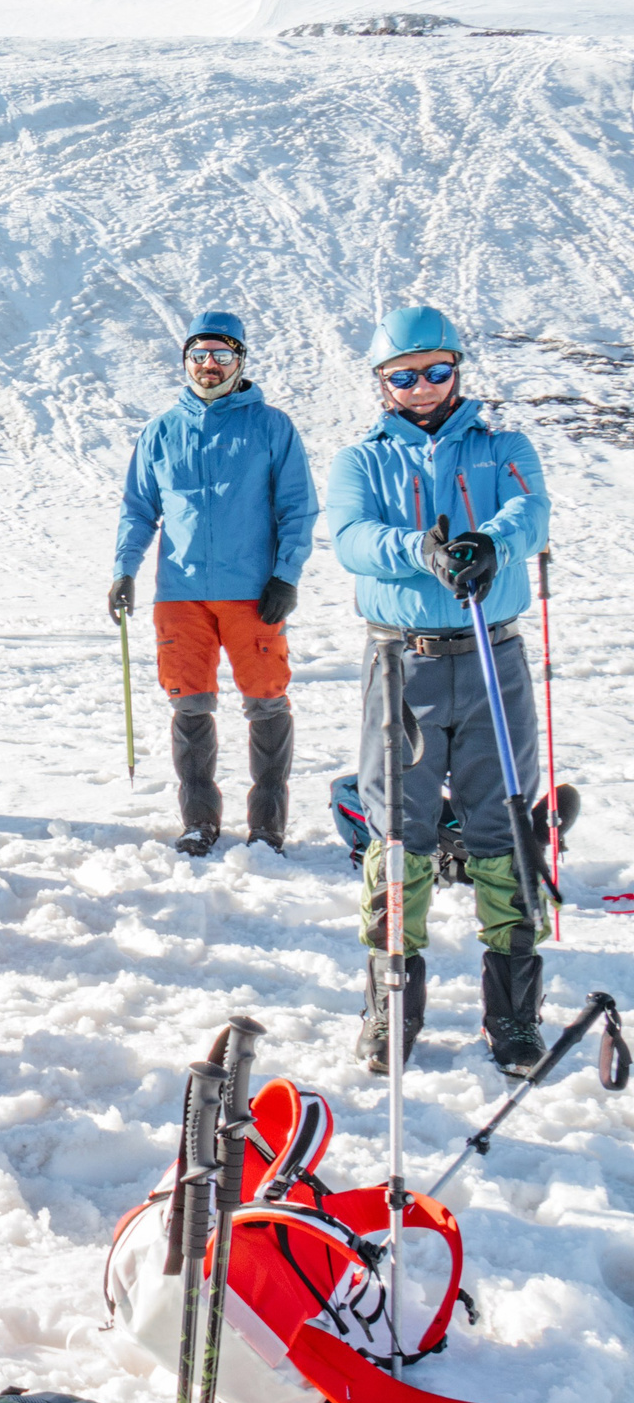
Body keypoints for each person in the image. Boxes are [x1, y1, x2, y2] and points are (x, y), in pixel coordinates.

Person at [328, 306, 552, 1076]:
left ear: (456, 370)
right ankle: (392, 1005)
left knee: (504, 823)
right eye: (404, 376)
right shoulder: (362, 461)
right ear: (382, 383)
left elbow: (531, 510)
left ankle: (514, 1012)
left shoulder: (502, 447)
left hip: (492, 654)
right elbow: (351, 538)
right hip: (402, 661)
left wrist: (491, 543)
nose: (422, 387)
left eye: (436, 371)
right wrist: (418, 551)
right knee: (399, 832)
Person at [109, 311, 317, 855]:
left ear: (240, 361)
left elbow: (297, 507)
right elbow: (139, 509)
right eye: (199, 355)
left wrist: (285, 575)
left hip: (253, 592)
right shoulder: (161, 431)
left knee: (266, 701)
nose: (209, 365)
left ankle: (267, 825)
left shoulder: (271, 426)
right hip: (180, 595)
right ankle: (199, 822)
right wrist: (124, 569)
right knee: (190, 703)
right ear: (185, 361)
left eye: (221, 355)